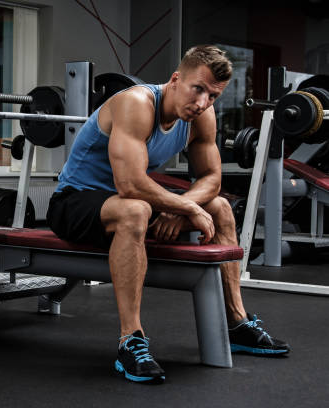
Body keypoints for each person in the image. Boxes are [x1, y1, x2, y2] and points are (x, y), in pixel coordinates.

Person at [46, 45, 290, 384]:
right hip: (75, 202)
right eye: (198, 89)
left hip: (129, 203)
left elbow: (211, 179)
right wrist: (185, 206)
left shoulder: (201, 116)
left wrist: (181, 207)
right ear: (176, 79)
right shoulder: (137, 104)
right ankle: (131, 340)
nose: (203, 102)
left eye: (213, 96)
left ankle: (236, 322)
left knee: (218, 207)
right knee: (137, 208)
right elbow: (130, 184)